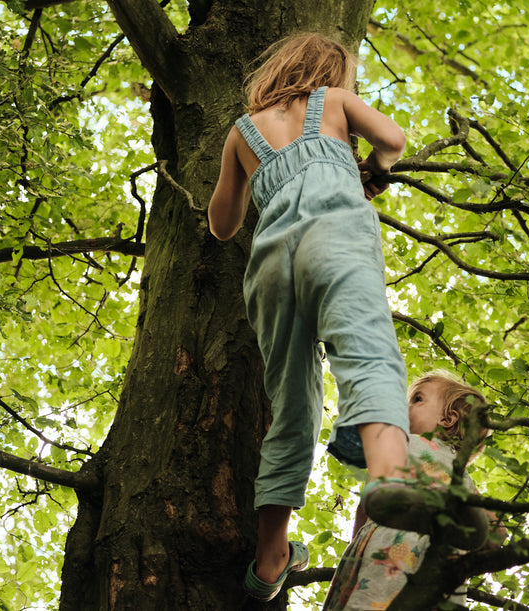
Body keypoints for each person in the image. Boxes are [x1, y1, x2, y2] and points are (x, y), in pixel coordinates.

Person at [208, 32, 412, 601]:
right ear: (332, 72)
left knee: (292, 403)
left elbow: (223, 224)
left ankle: (271, 558)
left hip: (271, 265)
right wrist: (372, 168)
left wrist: (250, 173)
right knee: (366, 350)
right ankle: (392, 484)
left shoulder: (242, 132)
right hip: (335, 238)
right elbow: (393, 139)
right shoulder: (332, 101)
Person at [321, 370, 499, 611]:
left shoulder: (404, 444)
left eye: (417, 399)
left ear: (448, 419)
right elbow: (495, 532)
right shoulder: (460, 477)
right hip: (422, 562)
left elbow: (368, 503)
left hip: (393, 552)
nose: (404, 408)